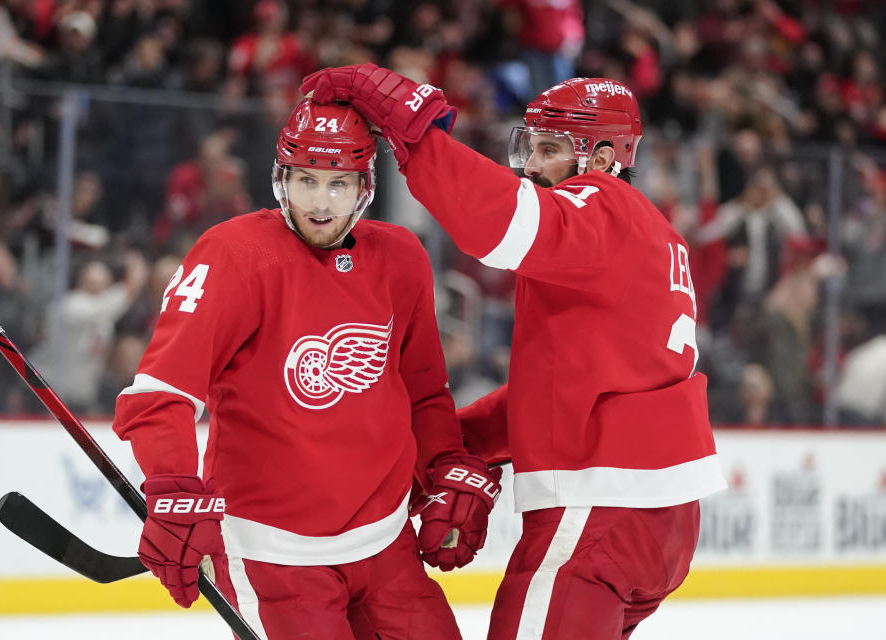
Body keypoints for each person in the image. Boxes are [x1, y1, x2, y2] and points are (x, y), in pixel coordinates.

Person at [302, 65, 727, 639]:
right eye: (530, 145)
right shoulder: (652, 238)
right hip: (659, 522)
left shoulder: (601, 206)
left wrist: (416, 134)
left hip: (599, 511)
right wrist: (452, 450)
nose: (530, 164)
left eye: (550, 149)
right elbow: (564, 390)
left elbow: (496, 220)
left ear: (602, 160)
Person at [111, 98, 500, 639]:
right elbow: (161, 395)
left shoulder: (400, 256)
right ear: (281, 178)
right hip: (274, 556)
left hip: (385, 546)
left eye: (338, 183)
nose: (321, 203)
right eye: (306, 180)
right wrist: (173, 484)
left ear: (364, 186)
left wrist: (444, 467)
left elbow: (425, 395)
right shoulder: (233, 254)